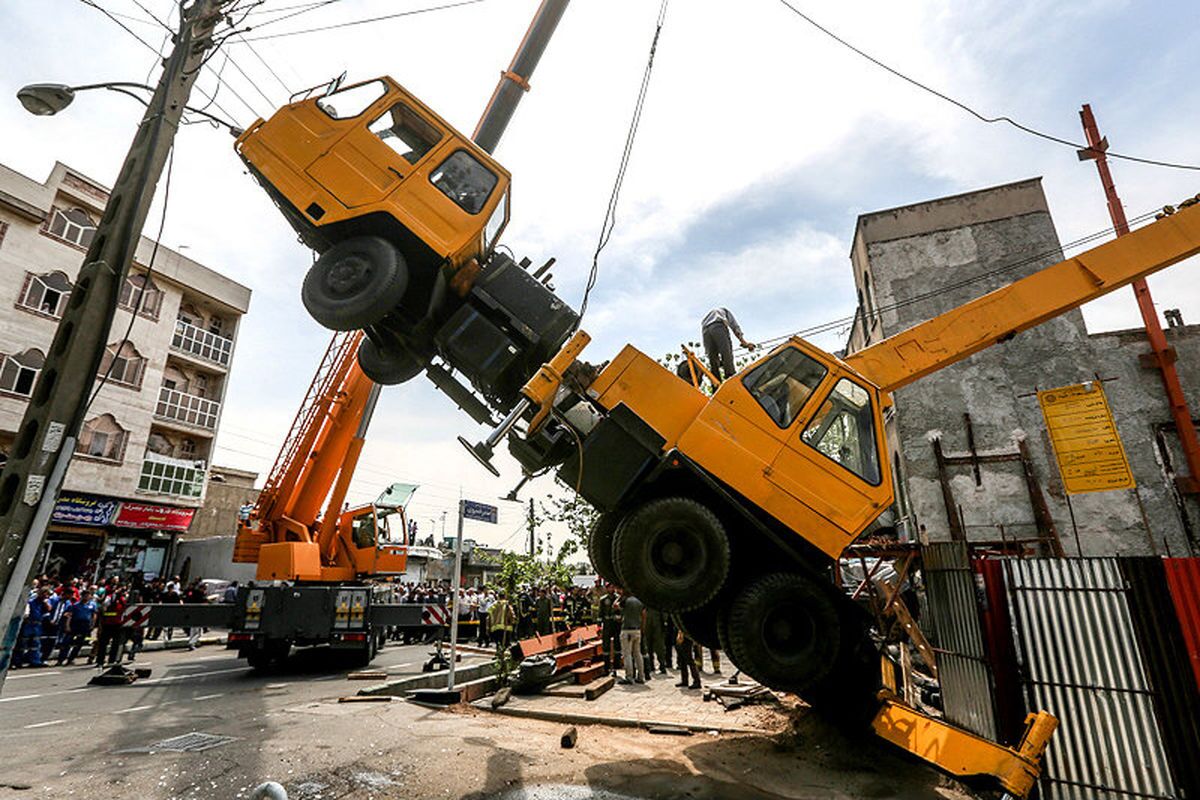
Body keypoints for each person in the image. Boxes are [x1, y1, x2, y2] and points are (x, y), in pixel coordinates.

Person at [701, 307, 755, 381]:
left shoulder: (708, 318)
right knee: (726, 353)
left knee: (713, 359)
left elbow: (708, 350)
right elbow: (734, 326)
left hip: (705, 331)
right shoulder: (725, 312)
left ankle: (715, 382)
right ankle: (730, 376)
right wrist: (743, 342)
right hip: (718, 326)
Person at [57, 589, 98, 665]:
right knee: (67, 642)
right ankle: (61, 659)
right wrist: (67, 626)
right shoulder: (75, 605)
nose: (86, 597)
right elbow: (70, 615)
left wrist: (92, 625)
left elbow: (94, 615)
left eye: (87, 595)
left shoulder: (92, 605)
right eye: (84, 595)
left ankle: (71, 659)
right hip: (75, 624)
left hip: (85, 625)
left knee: (79, 644)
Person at [618, 591, 645, 685]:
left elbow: (615, 606)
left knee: (627, 654)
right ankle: (641, 676)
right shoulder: (640, 601)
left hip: (627, 630)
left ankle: (629, 677)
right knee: (638, 654)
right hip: (637, 630)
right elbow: (643, 615)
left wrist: (620, 596)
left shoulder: (625, 601)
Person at [598, 585, 621, 675]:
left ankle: (616, 668)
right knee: (606, 646)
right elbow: (600, 613)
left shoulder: (618, 599)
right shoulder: (603, 599)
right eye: (609, 587)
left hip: (616, 625)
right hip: (607, 624)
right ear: (606, 588)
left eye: (612, 587)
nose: (611, 589)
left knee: (617, 646)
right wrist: (599, 626)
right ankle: (606, 668)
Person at [642, 607, 669, 675]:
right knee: (648, 646)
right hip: (647, 623)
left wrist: (665, 621)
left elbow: (664, 610)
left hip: (658, 624)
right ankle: (650, 665)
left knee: (659, 646)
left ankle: (662, 665)